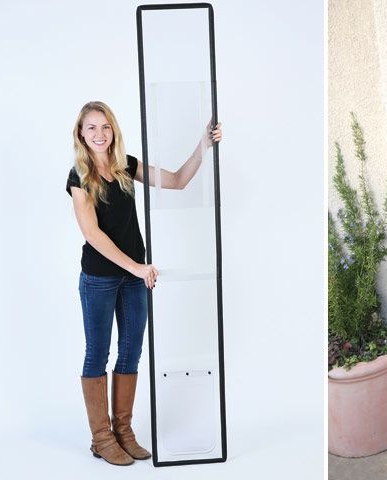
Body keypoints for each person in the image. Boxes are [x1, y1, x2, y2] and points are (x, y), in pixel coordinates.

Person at [66, 101, 221, 466]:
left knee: (131, 352)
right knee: (97, 354)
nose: (99, 134)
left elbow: (178, 181)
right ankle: (102, 439)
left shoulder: (126, 165)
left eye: (105, 127)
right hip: (100, 280)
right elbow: (93, 235)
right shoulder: (78, 177)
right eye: (91, 128)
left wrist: (204, 145)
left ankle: (124, 432)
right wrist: (136, 267)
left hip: (135, 278)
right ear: (81, 134)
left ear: (113, 130)